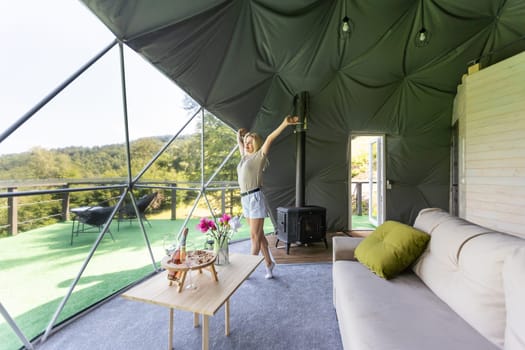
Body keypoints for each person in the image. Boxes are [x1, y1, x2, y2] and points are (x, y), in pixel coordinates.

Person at [237, 115, 300, 279]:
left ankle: (246, 270)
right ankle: (269, 264)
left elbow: (271, 137)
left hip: (255, 198)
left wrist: (285, 123)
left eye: (251, 142)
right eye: (246, 142)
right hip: (245, 199)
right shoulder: (244, 156)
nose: (248, 144)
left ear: (256, 144)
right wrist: (240, 136)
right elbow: (240, 144)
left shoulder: (259, 156)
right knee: (260, 235)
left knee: (254, 236)